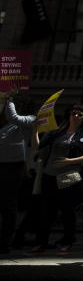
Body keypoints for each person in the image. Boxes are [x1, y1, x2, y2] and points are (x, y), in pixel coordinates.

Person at [28, 103, 83, 255]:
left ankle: (67, 241)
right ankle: (41, 242)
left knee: (67, 209)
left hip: (70, 175)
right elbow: (38, 146)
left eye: (80, 114)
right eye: (74, 113)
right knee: (46, 210)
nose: (76, 116)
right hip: (50, 174)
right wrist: (35, 130)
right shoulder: (56, 132)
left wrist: (69, 161)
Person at [0, 84, 35, 255]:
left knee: (8, 205)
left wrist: (9, 99)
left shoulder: (29, 119)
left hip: (13, 166)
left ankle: (5, 241)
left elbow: (14, 117)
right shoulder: (5, 124)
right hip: (2, 164)